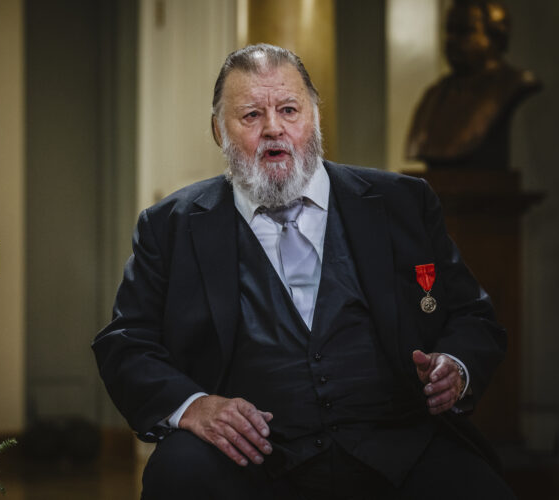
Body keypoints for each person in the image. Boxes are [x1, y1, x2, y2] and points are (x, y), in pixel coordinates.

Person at [93, 44, 514, 499]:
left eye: (289, 110)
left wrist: (456, 365)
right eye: (251, 115)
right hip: (251, 458)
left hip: (399, 442)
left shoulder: (401, 203)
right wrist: (195, 407)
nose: (274, 128)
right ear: (219, 131)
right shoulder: (168, 227)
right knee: (179, 473)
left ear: (313, 118)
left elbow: (472, 315)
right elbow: (126, 344)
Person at [406, 0, 541, 170]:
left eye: (465, 31)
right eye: (449, 30)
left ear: (496, 37)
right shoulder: (434, 94)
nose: (451, 40)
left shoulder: (514, 84)